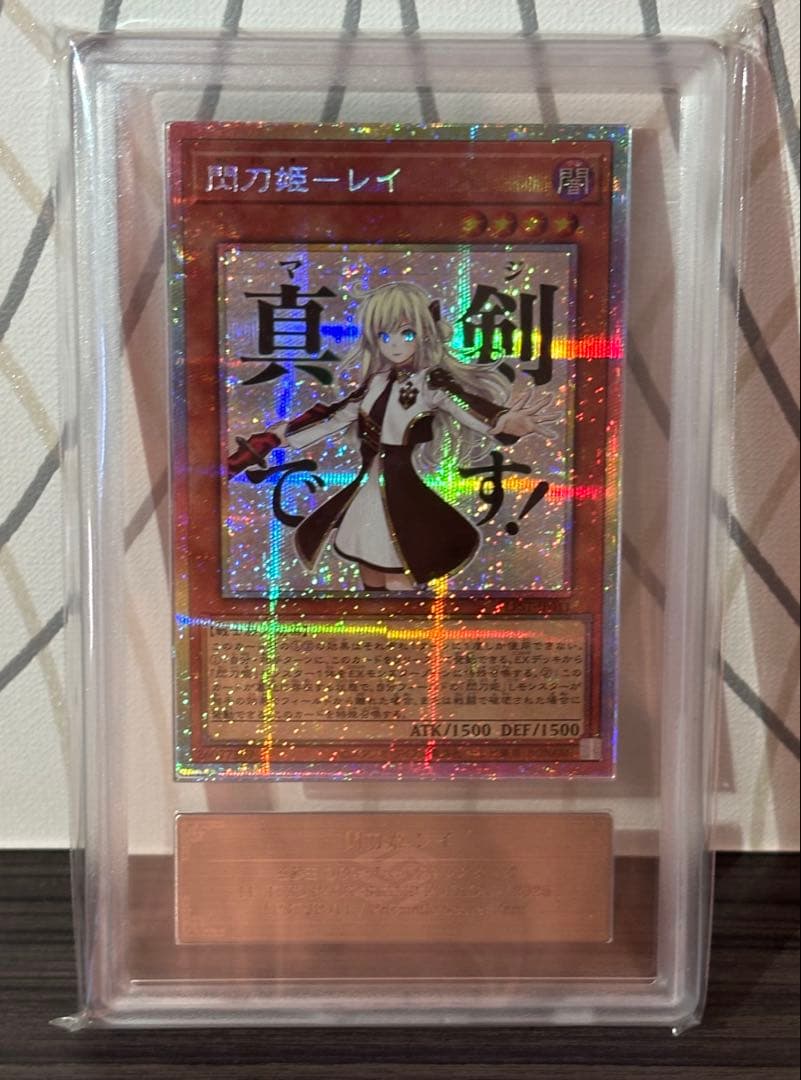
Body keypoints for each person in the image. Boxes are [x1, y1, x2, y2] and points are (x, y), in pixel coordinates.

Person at [228, 281, 556, 590]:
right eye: (385, 336)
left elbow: (465, 404)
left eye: (406, 333)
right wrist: (276, 438)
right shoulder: (377, 381)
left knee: (400, 563)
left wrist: (502, 420)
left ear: (423, 333)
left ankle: (401, 623)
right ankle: (374, 622)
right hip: (369, 485)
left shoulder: (431, 383)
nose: (395, 344)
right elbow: (335, 416)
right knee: (367, 558)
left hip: (403, 491)